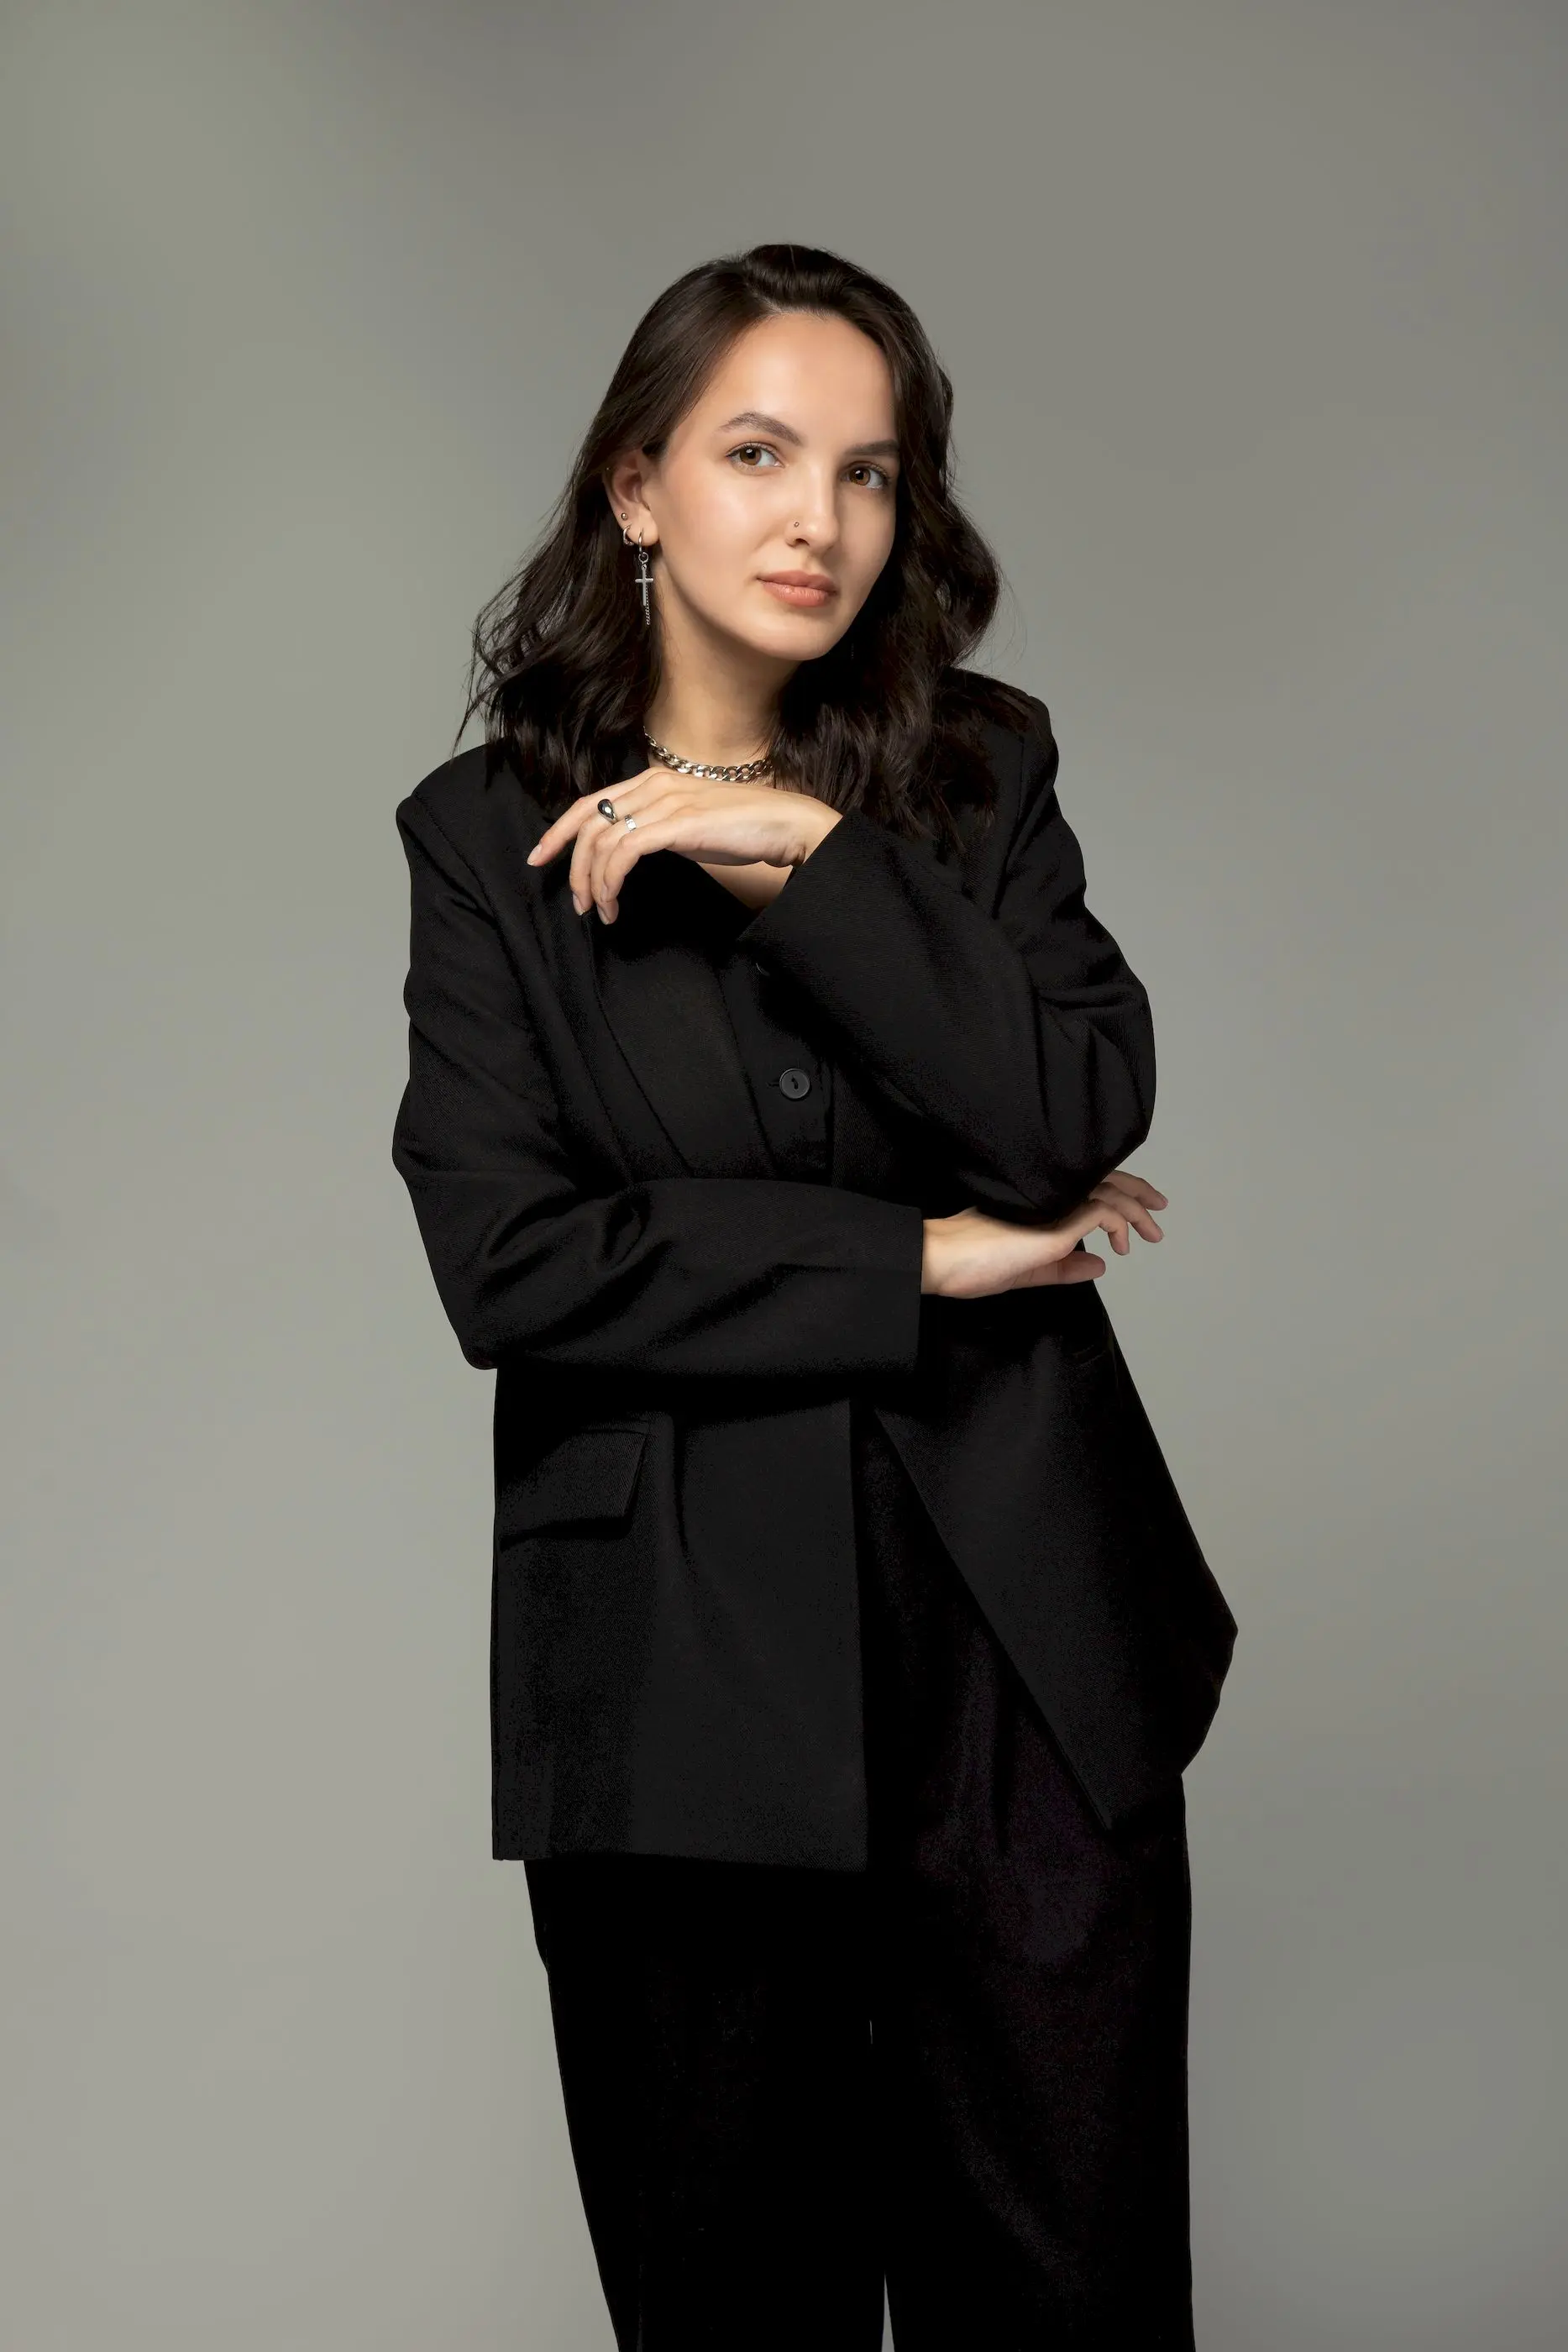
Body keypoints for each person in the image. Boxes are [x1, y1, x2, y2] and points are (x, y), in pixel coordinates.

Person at [391, 241, 1238, 2350]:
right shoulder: (485, 837)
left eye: (869, 471)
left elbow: (1068, 1110)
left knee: (1074, 2301)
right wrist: (915, 1255)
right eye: (758, 454)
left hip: (1024, 1652)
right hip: (676, 1671)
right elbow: (514, 1258)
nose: (821, 520)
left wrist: (807, 852)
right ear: (637, 485)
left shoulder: (980, 774)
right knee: (731, 2301)